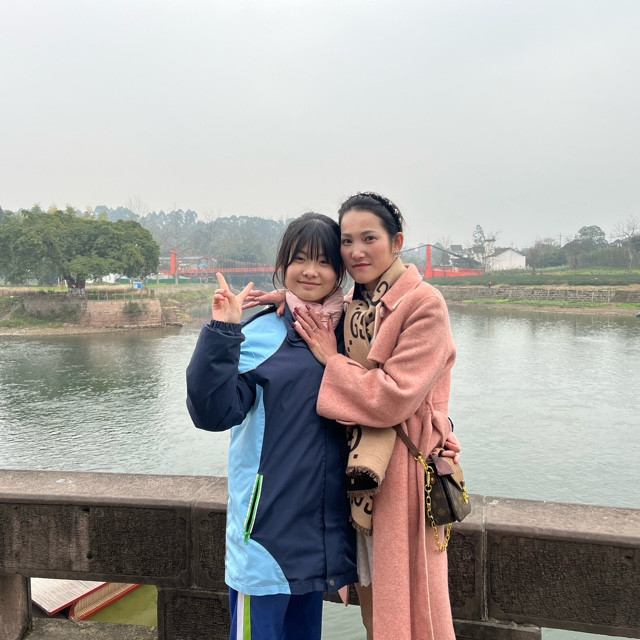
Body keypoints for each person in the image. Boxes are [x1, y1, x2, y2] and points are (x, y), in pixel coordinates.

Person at [292, 193, 459, 640]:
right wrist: (282, 299)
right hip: (360, 477)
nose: (356, 251)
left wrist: (332, 361)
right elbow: (315, 305)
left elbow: (392, 398)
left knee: (408, 606)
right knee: (374, 603)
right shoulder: (355, 303)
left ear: (397, 241)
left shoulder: (423, 304)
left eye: (369, 238)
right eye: (347, 241)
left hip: (402, 476)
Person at [185, 212, 357, 640]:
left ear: (340, 272)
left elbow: (392, 389)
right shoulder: (262, 333)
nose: (311, 271)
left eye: (324, 261)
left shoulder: (349, 335)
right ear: (283, 264)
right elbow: (211, 413)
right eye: (300, 259)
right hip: (265, 536)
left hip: (318, 540)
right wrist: (222, 331)